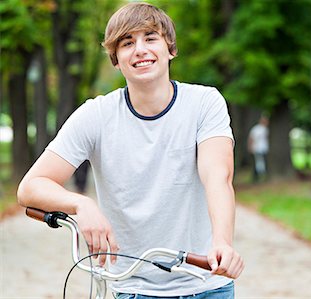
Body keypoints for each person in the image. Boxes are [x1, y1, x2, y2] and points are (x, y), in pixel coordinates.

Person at [17, 2, 243, 298]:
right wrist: (81, 204)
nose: (140, 49)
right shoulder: (96, 115)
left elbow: (218, 178)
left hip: (205, 282)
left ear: (170, 49)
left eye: (150, 38)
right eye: (127, 42)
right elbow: (30, 187)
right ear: (116, 58)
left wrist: (222, 242)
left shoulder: (204, 103)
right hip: (132, 286)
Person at [248, 115, 269, 183]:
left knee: (262, 162)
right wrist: (250, 147)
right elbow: (251, 138)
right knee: (259, 163)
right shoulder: (256, 129)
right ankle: (258, 176)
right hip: (257, 148)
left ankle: (262, 176)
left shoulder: (266, 129)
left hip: (264, 148)